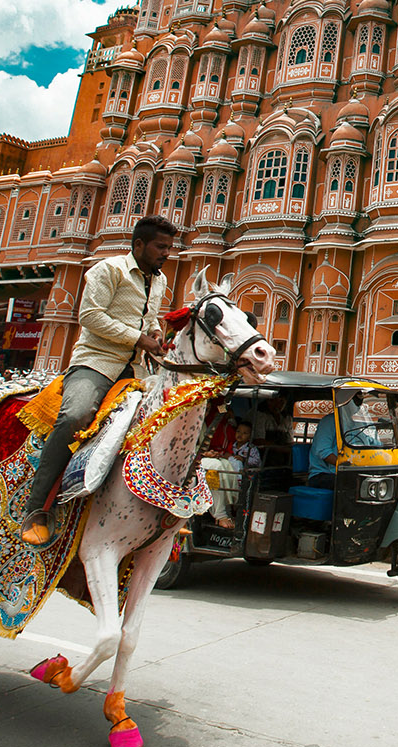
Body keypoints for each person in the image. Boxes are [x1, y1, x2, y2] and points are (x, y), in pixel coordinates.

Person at [20, 215, 176, 545]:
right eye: (160, 246)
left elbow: (149, 321)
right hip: (96, 363)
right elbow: (89, 316)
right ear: (139, 245)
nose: (166, 253)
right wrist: (138, 339)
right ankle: (36, 508)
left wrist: (156, 334)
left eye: (169, 247)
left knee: (166, 422)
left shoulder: (159, 280)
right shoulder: (109, 270)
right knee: (75, 415)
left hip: (136, 370)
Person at [306, 397, 381, 489]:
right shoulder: (329, 421)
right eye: (355, 401)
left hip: (353, 472)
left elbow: (371, 442)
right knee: (358, 484)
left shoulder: (358, 423)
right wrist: (346, 466)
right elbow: (323, 451)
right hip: (324, 474)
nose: (358, 405)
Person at [202, 421, 261, 529]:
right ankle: (221, 514)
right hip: (198, 458)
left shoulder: (250, 448)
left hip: (239, 471)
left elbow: (256, 461)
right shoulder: (232, 445)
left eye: (244, 433)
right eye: (238, 431)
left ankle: (227, 510)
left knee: (226, 467)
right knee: (217, 469)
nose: (240, 435)